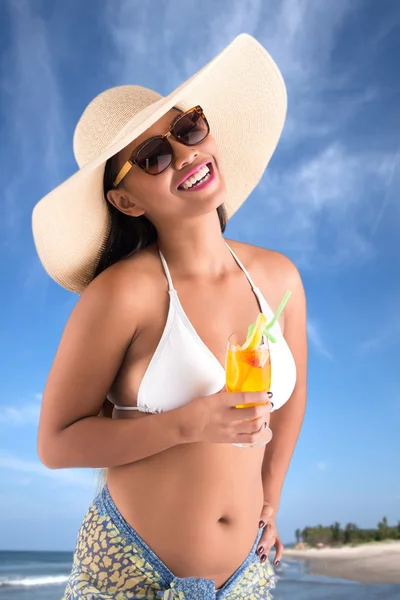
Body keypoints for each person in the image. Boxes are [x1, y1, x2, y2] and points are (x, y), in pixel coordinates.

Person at [32, 34, 307, 599]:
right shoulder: (122, 295)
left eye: (187, 130)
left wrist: (270, 498)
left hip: (245, 581)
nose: (185, 155)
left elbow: (291, 399)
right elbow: (56, 443)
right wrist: (188, 423)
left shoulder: (279, 278)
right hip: (131, 574)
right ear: (127, 200)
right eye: (154, 158)